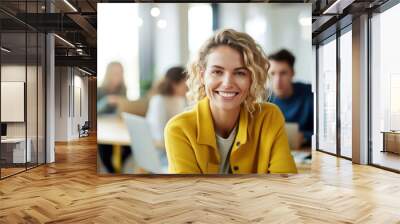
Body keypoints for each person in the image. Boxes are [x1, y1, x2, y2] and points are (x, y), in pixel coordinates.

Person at [164, 29, 297, 174]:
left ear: (251, 78)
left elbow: (285, 186)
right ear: (202, 76)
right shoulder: (179, 129)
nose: (227, 83)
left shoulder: (269, 117)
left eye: (240, 73)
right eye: (217, 72)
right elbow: (187, 194)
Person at [268, 49, 313, 147]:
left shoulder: (310, 93)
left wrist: (305, 137)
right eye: (272, 74)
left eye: (283, 73)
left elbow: (323, 132)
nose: (277, 80)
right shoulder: (264, 99)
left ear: (292, 73)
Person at [97, 61, 131, 173]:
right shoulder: (99, 90)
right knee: (105, 150)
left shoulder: (123, 90)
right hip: (103, 128)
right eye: (116, 72)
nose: (119, 75)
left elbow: (123, 109)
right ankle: (111, 171)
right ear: (109, 73)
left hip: (118, 127)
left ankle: (118, 170)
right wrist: (106, 101)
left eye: (121, 72)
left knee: (129, 148)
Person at [146, 66, 188, 150]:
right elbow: (160, 135)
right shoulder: (159, 101)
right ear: (174, 84)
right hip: (161, 149)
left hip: (175, 144)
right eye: (185, 83)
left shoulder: (181, 100)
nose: (187, 87)